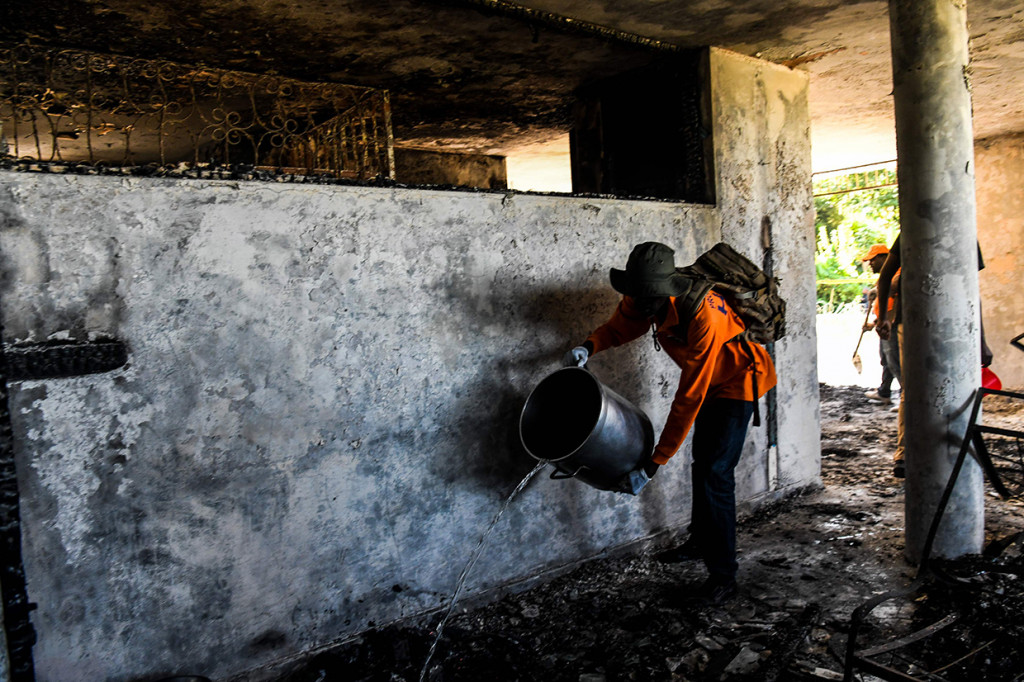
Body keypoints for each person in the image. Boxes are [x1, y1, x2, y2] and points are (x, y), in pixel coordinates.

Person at [563, 242, 777, 605]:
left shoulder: (703, 315)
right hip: (710, 381)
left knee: (716, 473)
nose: (641, 306)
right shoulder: (641, 295)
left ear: (667, 290)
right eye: (636, 297)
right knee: (703, 465)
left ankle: (724, 576)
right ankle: (699, 541)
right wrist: (590, 345)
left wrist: (652, 465)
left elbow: (688, 399)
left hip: (739, 380)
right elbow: (620, 327)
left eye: (650, 300)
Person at [874, 234, 992, 478]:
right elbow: (885, 276)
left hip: (955, 325)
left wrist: (982, 340)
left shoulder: (965, 231)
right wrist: (884, 316)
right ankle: (905, 454)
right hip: (911, 322)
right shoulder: (912, 230)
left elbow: (972, 291)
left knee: (955, 389)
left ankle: (947, 450)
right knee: (914, 388)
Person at [860, 244, 900, 405]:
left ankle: (905, 397)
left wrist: (879, 290)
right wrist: (874, 323)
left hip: (894, 325)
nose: (870, 264)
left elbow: (895, 301)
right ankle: (884, 391)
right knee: (887, 360)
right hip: (886, 324)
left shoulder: (896, 273)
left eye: (873, 260)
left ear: (885, 257)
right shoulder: (885, 277)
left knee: (894, 361)